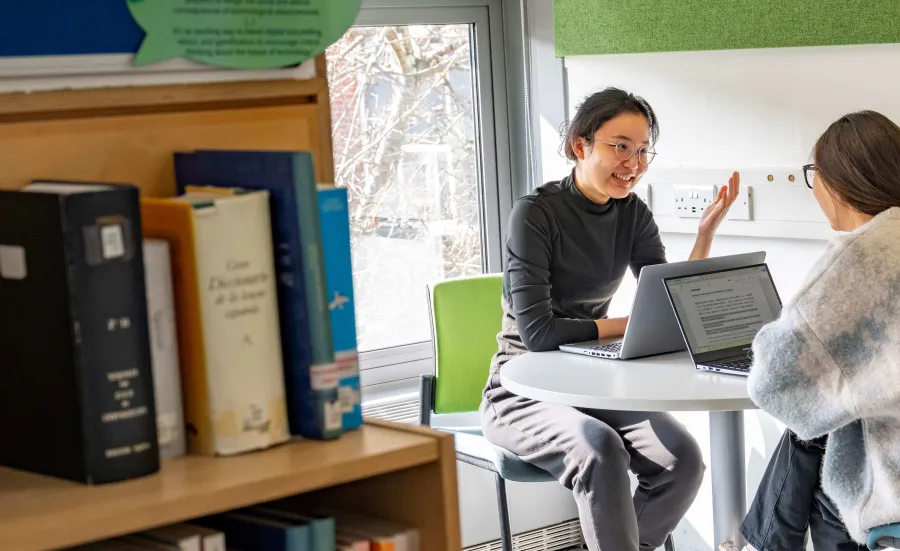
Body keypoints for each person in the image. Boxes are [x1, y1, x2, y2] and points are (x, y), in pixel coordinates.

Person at [479, 87, 740, 551]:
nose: (634, 162)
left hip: (589, 379)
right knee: (599, 449)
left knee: (682, 460)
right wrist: (625, 325)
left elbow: (667, 301)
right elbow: (539, 334)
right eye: (621, 146)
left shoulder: (633, 214)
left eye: (642, 150)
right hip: (519, 389)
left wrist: (704, 236)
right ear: (581, 145)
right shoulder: (535, 214)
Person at [720, 109, 900, 551]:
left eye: (812, 174)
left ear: (837, 183)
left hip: (892, 475)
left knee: (815, 440)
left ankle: (758, 545)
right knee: (821, 428)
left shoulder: (862, 255)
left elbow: (774, 382)